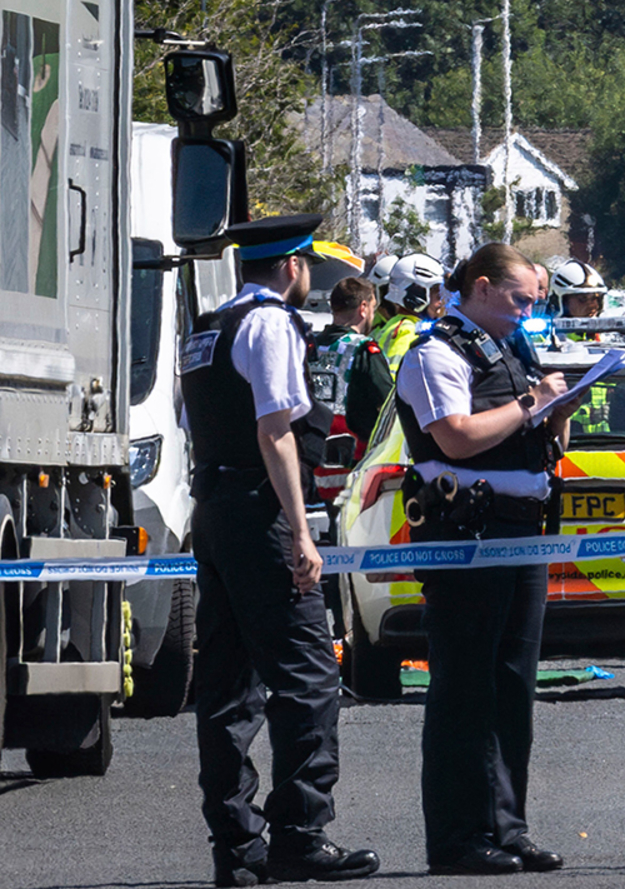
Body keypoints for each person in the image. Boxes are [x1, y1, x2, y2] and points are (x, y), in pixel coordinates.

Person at [178, 214, 380, 886]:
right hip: (259, 511)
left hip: (215, 507)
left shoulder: (208, 328)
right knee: (308, 677)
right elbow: (275, 432)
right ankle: (299, 834)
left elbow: (201, 427)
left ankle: (235, 850)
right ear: (292, 267)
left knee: (229, 688)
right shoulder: (269, 326)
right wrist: (301, 530)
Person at [394, 243, 581, 875]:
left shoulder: (512, 349)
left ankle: (507, 825)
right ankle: (457, 836)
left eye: (534, 301)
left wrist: (559, 410)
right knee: (464, 687)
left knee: (511, 686)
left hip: (521, 528)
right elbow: (456, 436)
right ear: (479, 287)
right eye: (519, 299)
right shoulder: (435, 351)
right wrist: (532, 402)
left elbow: (539, 440)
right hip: (466, 531)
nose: (529, 312)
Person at [308, 277, 393, 502]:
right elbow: (389, 405)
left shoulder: (311, 347)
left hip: (312, 469)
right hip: (355, 471)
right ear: (363, 308)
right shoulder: (364, 350)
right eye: (373, 308)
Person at [372, 252, 445, 374]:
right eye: (436, 293)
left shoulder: (396, 324)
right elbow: (393, 377)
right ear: (416, 294)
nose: (440, 302)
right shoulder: (407, 330)